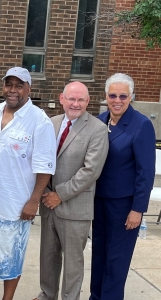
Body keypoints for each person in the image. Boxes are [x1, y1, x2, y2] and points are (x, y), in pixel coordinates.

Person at [0, 67, 56, 300]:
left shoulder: (39, 120)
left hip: (13, 204)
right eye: (9, 84)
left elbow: (45, 167)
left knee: (10, 258)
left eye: (19, 85)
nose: (12, 90)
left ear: (29, 89)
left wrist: (34, 202)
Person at [34, 82, 108, 300]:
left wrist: (59, 194)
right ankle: (47, 295)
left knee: (73, 263)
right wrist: (45, 192)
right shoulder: (51, 123)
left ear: (88, 102)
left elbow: (91, 170)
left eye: (81, 100)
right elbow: (40, 159)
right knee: (48, 257)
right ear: (61, 99)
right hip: (48, 204)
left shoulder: (97, 129)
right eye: (72, 99)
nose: (76, 104)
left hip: (75, 207)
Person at [90, 73, 156, 300]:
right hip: (99, 202)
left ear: (131, 98)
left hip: (124, 206)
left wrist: (138, 209)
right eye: (112, 95)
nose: (117, 100)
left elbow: (145, 173)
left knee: (116, 260)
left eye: (123, 96)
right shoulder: (99, 121)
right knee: (99, 255)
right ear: (106, 96)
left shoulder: (141, 125)